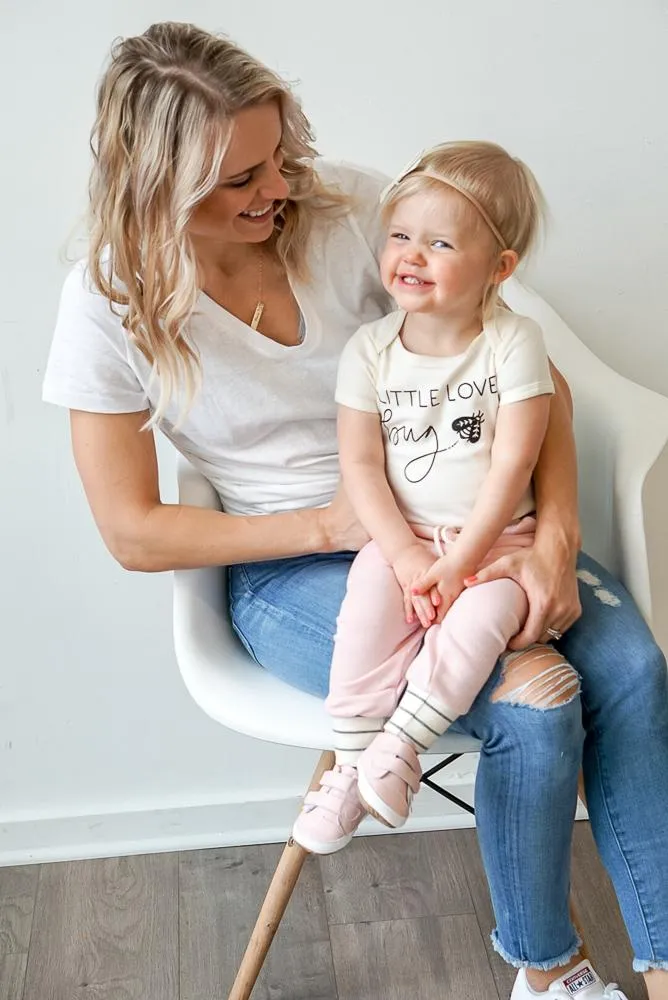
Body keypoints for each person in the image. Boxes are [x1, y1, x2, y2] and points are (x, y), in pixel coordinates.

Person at [41, 22, 668, 1000]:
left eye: (278, 153)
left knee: (629, 665)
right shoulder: (109, 304)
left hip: (470, 530)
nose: (278, 189)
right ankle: (549, 972)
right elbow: (134, 529)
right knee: (532, 694)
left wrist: (554, 535)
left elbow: (531, 379)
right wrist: (334, 526)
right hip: (299, 563)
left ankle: (663, 960)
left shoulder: (358, 214)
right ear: (155, 187)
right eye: (240, 180)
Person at [292, 140, 564, 851]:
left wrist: (460, 562)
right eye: (401, 236)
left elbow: (513, 466)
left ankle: (401, 745)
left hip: (498, 547)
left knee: (478, 630)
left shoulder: (513, 342)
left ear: (498, 268)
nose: (411, 256)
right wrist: (408, 555)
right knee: (362, 626)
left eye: (440, 243)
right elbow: (360, 463)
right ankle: (352, 765)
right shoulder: (371, 351)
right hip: (402, 541)